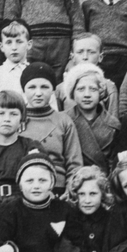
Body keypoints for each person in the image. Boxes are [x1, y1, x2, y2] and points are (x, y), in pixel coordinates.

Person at [20, 62, 82, 191]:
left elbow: (74, 163)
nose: (38, 93)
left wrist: (69, 190)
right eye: (32, 87)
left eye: (44, 87)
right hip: (24, 189)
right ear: (23, 90)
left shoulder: (63, 120)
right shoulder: (16, 120)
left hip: (58, 188)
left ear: (53, 90)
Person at [0, 90, 45, 199]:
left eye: (13, 114)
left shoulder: (31, 146)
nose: (7, 119)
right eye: (1, 113)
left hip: (22, 200)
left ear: (22, 118)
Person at [61, 62, 120, 172]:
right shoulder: (63, 121)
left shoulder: (113, 125)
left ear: (101, 91)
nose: (87, 94)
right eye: (81, 89)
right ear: (72, 93)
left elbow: (114, 165)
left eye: (93, 89)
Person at [58, 33, 120, 113]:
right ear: (72, 56)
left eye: (91, 52)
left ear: (100, 57)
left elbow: (113, 121)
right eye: (80, 52)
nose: (85, 57)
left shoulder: (109, 87)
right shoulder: (61, 88)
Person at [0, 18, 33, 102]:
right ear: (1, 47)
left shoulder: (36, 74)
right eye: (9, 42)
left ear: (29, 44)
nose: (14, 48)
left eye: (19, 41)